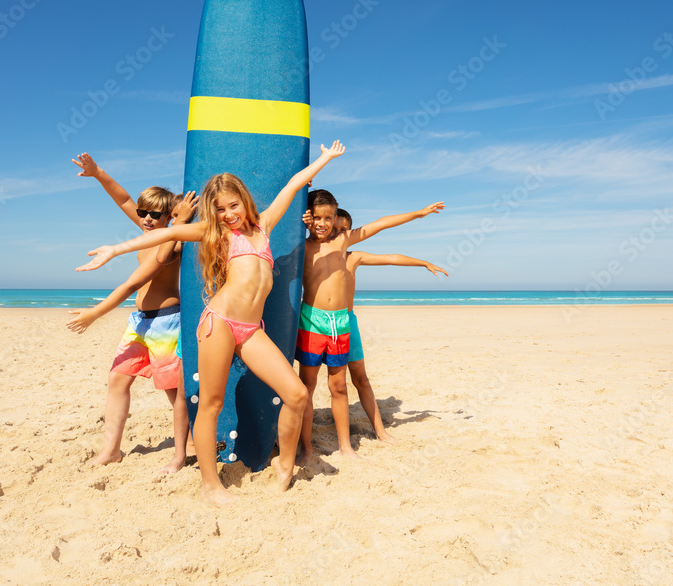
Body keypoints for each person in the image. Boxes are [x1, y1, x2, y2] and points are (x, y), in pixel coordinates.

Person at [76, 142, 345, 505]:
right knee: (211, 404)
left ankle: (284, 467)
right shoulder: (217, 233)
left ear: (245, 202)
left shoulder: (263, 225)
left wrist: (325, 159)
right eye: (220, 209)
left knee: (296, 395)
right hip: (218, 323)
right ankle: (210, 485)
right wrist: (115, 250)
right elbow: (169, 233)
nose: (228, 214)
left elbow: (295, 185)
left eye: (233, 205)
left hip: (251, 330)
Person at [67, 153, 197, 474]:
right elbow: (123, 198)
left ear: (169, 217)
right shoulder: (143, 232)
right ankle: (111, 450)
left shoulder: (174, 241)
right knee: (117, 380)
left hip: (167, 323)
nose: (147, 219)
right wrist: (98, 173)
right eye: (143, 213)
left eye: (155, 214)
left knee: (172, 390)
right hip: (138, 322)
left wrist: (180, 224)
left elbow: (151, 267)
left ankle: (189, 443)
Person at [297, 190, 444, 463]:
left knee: (339, 387)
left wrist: (418, 214)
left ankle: (345, 447)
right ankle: (306, 449)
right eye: (317, 217)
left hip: (340, 322)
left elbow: (381, 223)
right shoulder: (300, 244)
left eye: (329, 218)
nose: (323, 223)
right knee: (307, 386)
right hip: (312, 320)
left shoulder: (343, 242)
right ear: (308, 218)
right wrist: (301, 210)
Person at [333, 208, 447, 444]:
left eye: (343, 230)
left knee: (361, 379)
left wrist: (423, 262)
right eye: (333, 229)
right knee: (325, 383)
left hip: (347, 321)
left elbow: (391, 255)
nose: (337, 235)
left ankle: (380, 431)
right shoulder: (314, 253)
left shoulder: (354, 257)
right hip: (319, 322)